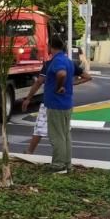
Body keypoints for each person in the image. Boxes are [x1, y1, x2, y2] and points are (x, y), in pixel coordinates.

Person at [20, 37, 76, 172]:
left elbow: (61, 74)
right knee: (65, 135)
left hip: (55, 104)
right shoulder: (69, 61)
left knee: (56, 136)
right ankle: (67, 164)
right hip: (66, 104)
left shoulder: (56, 61)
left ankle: (58, 165)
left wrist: (59, 87)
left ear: (51, 46)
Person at [22, 55, 92, 155]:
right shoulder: (70, 63)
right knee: (64, 132)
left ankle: (31, 152)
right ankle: (66, 158)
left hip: (51, 102)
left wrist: (28, 98)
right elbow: (88, 77)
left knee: (41, 128)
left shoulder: (50, 64)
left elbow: (39, 81)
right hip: (66, 104)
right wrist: (71, 83)